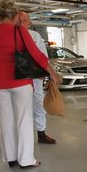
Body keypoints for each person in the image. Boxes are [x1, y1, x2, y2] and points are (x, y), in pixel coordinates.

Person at [0, 0, 61, 168]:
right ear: (16, 15)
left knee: (6, 121)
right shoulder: (20, 32)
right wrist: (52, 73)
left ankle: (11, 158)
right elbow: (37, 55)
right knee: (23, 121)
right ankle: (26, 160)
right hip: (20, 81)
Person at [15, 11, 56, 144]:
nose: (22, 23)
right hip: (17, 78)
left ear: (29, 22)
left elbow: (42, 56)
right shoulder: (12, 35)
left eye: (25, 20)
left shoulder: (35, 36)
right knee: (20, 108)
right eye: (19, 20)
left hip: (34, 77)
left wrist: (46, 73)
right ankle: (22, 137)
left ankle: (41, 133)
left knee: (38, 104)